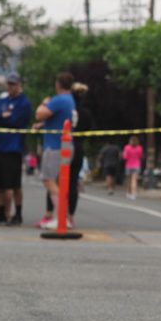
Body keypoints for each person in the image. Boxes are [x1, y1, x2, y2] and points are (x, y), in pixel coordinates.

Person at [0, 73, 33, 225]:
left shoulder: (24, 103)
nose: (11, 87)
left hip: (13, 148)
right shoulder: (1, 101)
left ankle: (17, 213)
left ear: (19, 85)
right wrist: (2, 116)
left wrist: (2, 118)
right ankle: (0, 213)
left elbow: (16, 120)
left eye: (14, 84)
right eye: (9, 84)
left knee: (12, 185)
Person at [33, 72, 76, 229]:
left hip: (55, 146)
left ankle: (61, 216)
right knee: (59, 182)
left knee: (48, 180)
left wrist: (44, 103)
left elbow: (39, 114)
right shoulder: (70, 100)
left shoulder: (59, 100)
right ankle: (64, 216)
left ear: (58, 84)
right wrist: (43, 125)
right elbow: (59, 120)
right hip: (65, 145)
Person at [67, 82, 92, 221]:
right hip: (79, 147)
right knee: (73, 182)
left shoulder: (67, 110)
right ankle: (70, 216)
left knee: (60, 181)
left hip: (65, 147)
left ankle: (58, 213)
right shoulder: (86, 113)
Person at [122, 135, 144, 200]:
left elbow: (125, 157)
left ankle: (128, 192)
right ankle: (133, 194)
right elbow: (140, 156)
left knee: (128, 180)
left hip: (128, 165)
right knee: (134, 180)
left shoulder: (127, 147)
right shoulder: (139, 148)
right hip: (137, 165)